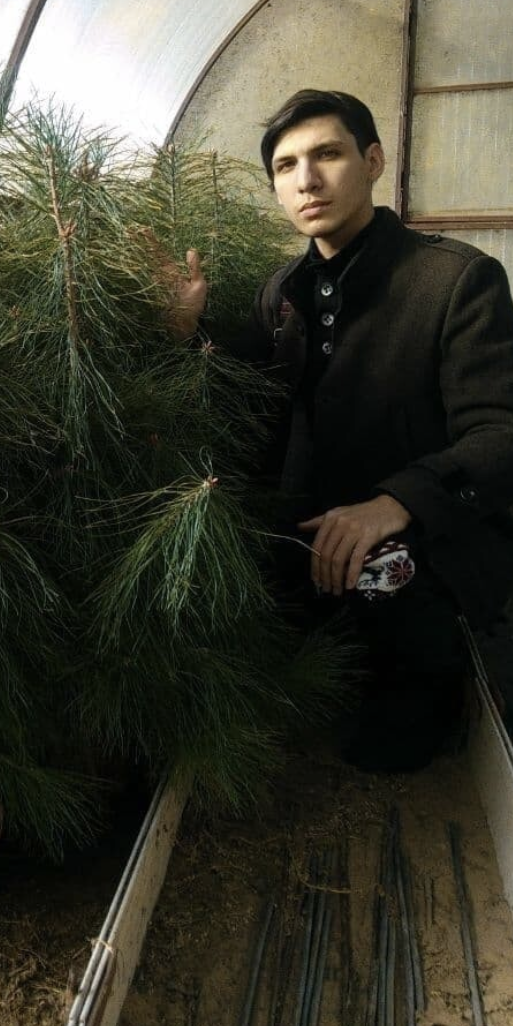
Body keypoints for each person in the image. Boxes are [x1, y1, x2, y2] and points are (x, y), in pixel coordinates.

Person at [173, 88, 513, 771]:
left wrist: (395, 503)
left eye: (327, 153)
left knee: (388, 755)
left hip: (414, 557)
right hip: (302, 547)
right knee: (274, 743)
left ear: (374, 160)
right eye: (286, 165)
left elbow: (498, 432)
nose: (307, 179)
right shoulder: (283, 291)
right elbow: (250, 401)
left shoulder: (455, 280)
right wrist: (189, 332)